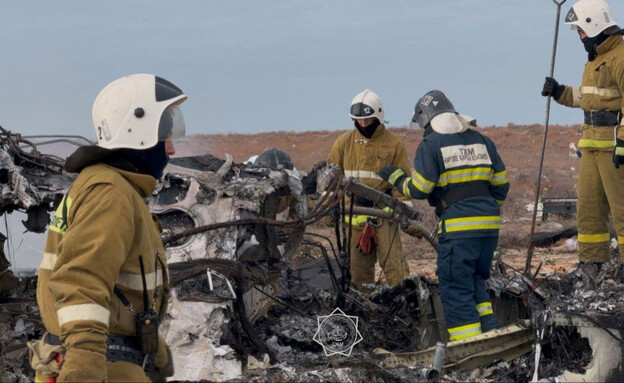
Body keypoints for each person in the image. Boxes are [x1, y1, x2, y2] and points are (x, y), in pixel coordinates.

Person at [31, 74, 187, 382]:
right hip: (102, 368)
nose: (170, 149)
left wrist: (153, 349)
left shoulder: (113, 188)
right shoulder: (110, 193)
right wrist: (84, 367)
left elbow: (123, 291)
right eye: (165, 136)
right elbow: (82, 280)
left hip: (114, 361)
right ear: (138, 131)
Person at [379, 90, 509, 341]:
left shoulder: (431, 144)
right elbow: (501, 185)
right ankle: (491, 334)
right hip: (489, 229)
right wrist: (484, 212)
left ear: (426, 120)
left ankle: (468, 346)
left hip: (459, 231)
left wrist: (396, 177)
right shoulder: (482, 141)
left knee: (455, 287)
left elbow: (420, 188)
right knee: (474, 282)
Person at [541, 0, 624, 277]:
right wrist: (560, 92)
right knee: (588, 211)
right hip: (591, 145)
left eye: (581, 31)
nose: (580, 37)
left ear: (595, 25)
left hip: (614, 147)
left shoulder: (621, 56)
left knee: (622, 210)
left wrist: (623, 140)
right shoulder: (595, 61)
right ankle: (591, 266)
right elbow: (589, 98)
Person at [327, 89, 411, 291]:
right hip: (353, 219)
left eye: (368, 119)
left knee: (395, 269)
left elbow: (402, 184)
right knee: (358, 275)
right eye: (359, 120)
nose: (363, 123)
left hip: (384, 217)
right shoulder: (343, 143)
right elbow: (331, 180)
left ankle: (407, 308)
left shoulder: (393, 144)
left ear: (378, 116)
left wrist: (408, 218)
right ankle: (365, 316)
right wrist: (330, 208)